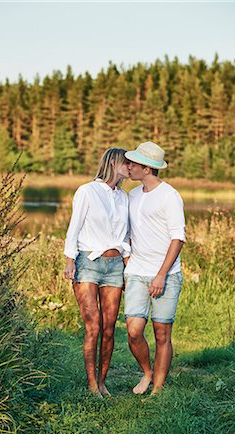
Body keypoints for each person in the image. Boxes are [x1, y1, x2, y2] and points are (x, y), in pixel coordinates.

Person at [64, 147, 130, 397]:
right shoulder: (87, 191)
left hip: (114, 267)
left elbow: (126, 236)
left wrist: (127, 260)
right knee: (93, 326)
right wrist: (69, 260)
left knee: (110, 328)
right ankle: (92, 385)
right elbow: (75, 226)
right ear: (114, 163)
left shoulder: (124, 197)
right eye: (127, 162)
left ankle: (102, 381)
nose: (130, 167)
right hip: (88, 263)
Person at [124, 141, 186, 396]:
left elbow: (178, 238)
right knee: (133, 330)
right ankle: (147, 372)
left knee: (162, 333)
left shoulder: (170, 196)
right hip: (137, 272)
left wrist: (161, 275)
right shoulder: (133, 195)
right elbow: (127, 232)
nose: (128, 167)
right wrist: (128, 258)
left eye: (133, 164)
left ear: (147, 169)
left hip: (166, 276)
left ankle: (157, 389)